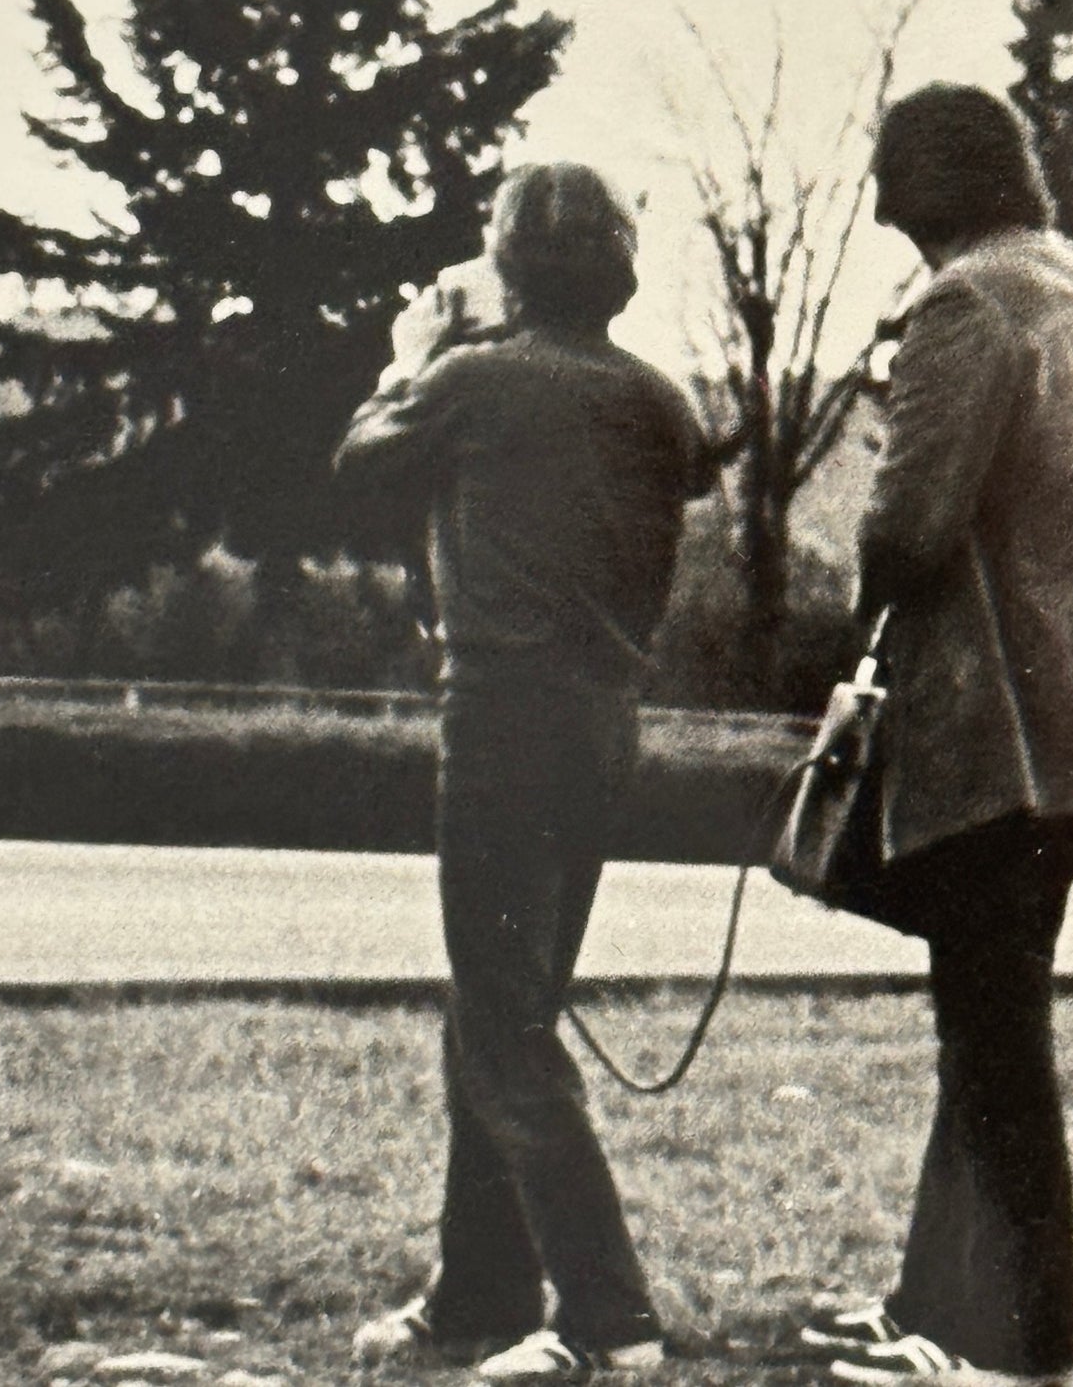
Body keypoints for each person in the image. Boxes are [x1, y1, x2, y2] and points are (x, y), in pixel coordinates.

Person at [797, 85, 1073, 1386]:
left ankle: (1016, 1346)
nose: (875, 203)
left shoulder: (965, 300)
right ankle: (931, 1307)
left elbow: (905, 530)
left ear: (940, 182)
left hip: (996, 728)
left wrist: (847, 632)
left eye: (888, 177)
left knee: (992, 1037)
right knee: (984, 1018)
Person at [337, 162, 712, 1381]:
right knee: (497, 1009)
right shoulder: (657, 400)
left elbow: (359, 465)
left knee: (501, 1026)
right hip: (601, 730)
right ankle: (481, 1287)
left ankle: (609, 1315)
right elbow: (678, 460)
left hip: (497, 723)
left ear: (505, 266)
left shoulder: (468, 380)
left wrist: (410, 352)